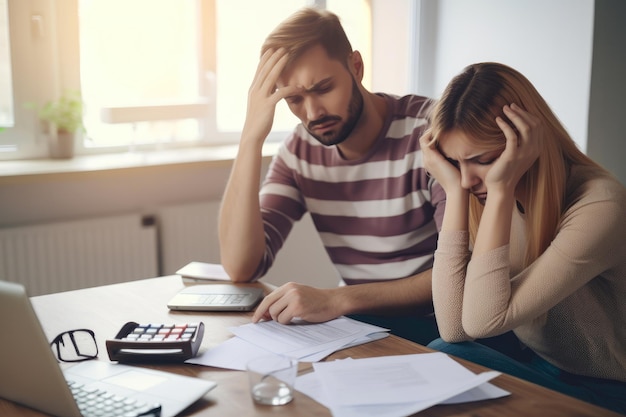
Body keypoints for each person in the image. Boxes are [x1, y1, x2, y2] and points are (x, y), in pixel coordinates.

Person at [218, 8, 445, 345]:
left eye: (323, 88)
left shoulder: (432, 131)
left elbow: (461, 275)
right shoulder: (299, 151)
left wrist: (338, 299)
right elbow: (241, 267)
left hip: (440, 326)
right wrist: (251, 137)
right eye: (294, 99)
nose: (312, 113)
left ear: (356, 67)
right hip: (361, 328)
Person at [420, 62, 626, 413]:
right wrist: (453, 191)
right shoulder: (479, 191)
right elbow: (454, 326)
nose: (468, 179)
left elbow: (481, 322)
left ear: (526, 143)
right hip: (540, 366)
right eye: (454, 164)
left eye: (482, 160)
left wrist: (499, 189)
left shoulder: (601, 205)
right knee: (443, 351)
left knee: (446, 357)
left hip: (609, 392)